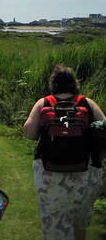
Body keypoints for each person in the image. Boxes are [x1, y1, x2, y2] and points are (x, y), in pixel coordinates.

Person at [23, 64, 106, 240]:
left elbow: (29, 134)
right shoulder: (87, 103)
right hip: (85, 172)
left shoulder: (44, 103)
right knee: (79, 221)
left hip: (50, 173)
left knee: (54, 220)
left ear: (53, 83)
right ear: (74, 83)